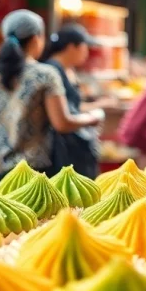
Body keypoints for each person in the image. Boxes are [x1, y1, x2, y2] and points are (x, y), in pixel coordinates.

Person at [0, 10, 103, 187]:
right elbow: (62, 123)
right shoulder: (45, 75)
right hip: (30, 178)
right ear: (35, 39)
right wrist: (93, 118)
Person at [39, 24, 115, 177]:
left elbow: (72, 106)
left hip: (72, 145)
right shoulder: (52, 71)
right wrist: (91, 119)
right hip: (58, 149)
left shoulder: (67, 70)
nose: (87, 52)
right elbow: (60, 118)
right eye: (85, 46)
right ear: (71, 47)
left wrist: (99, 105)